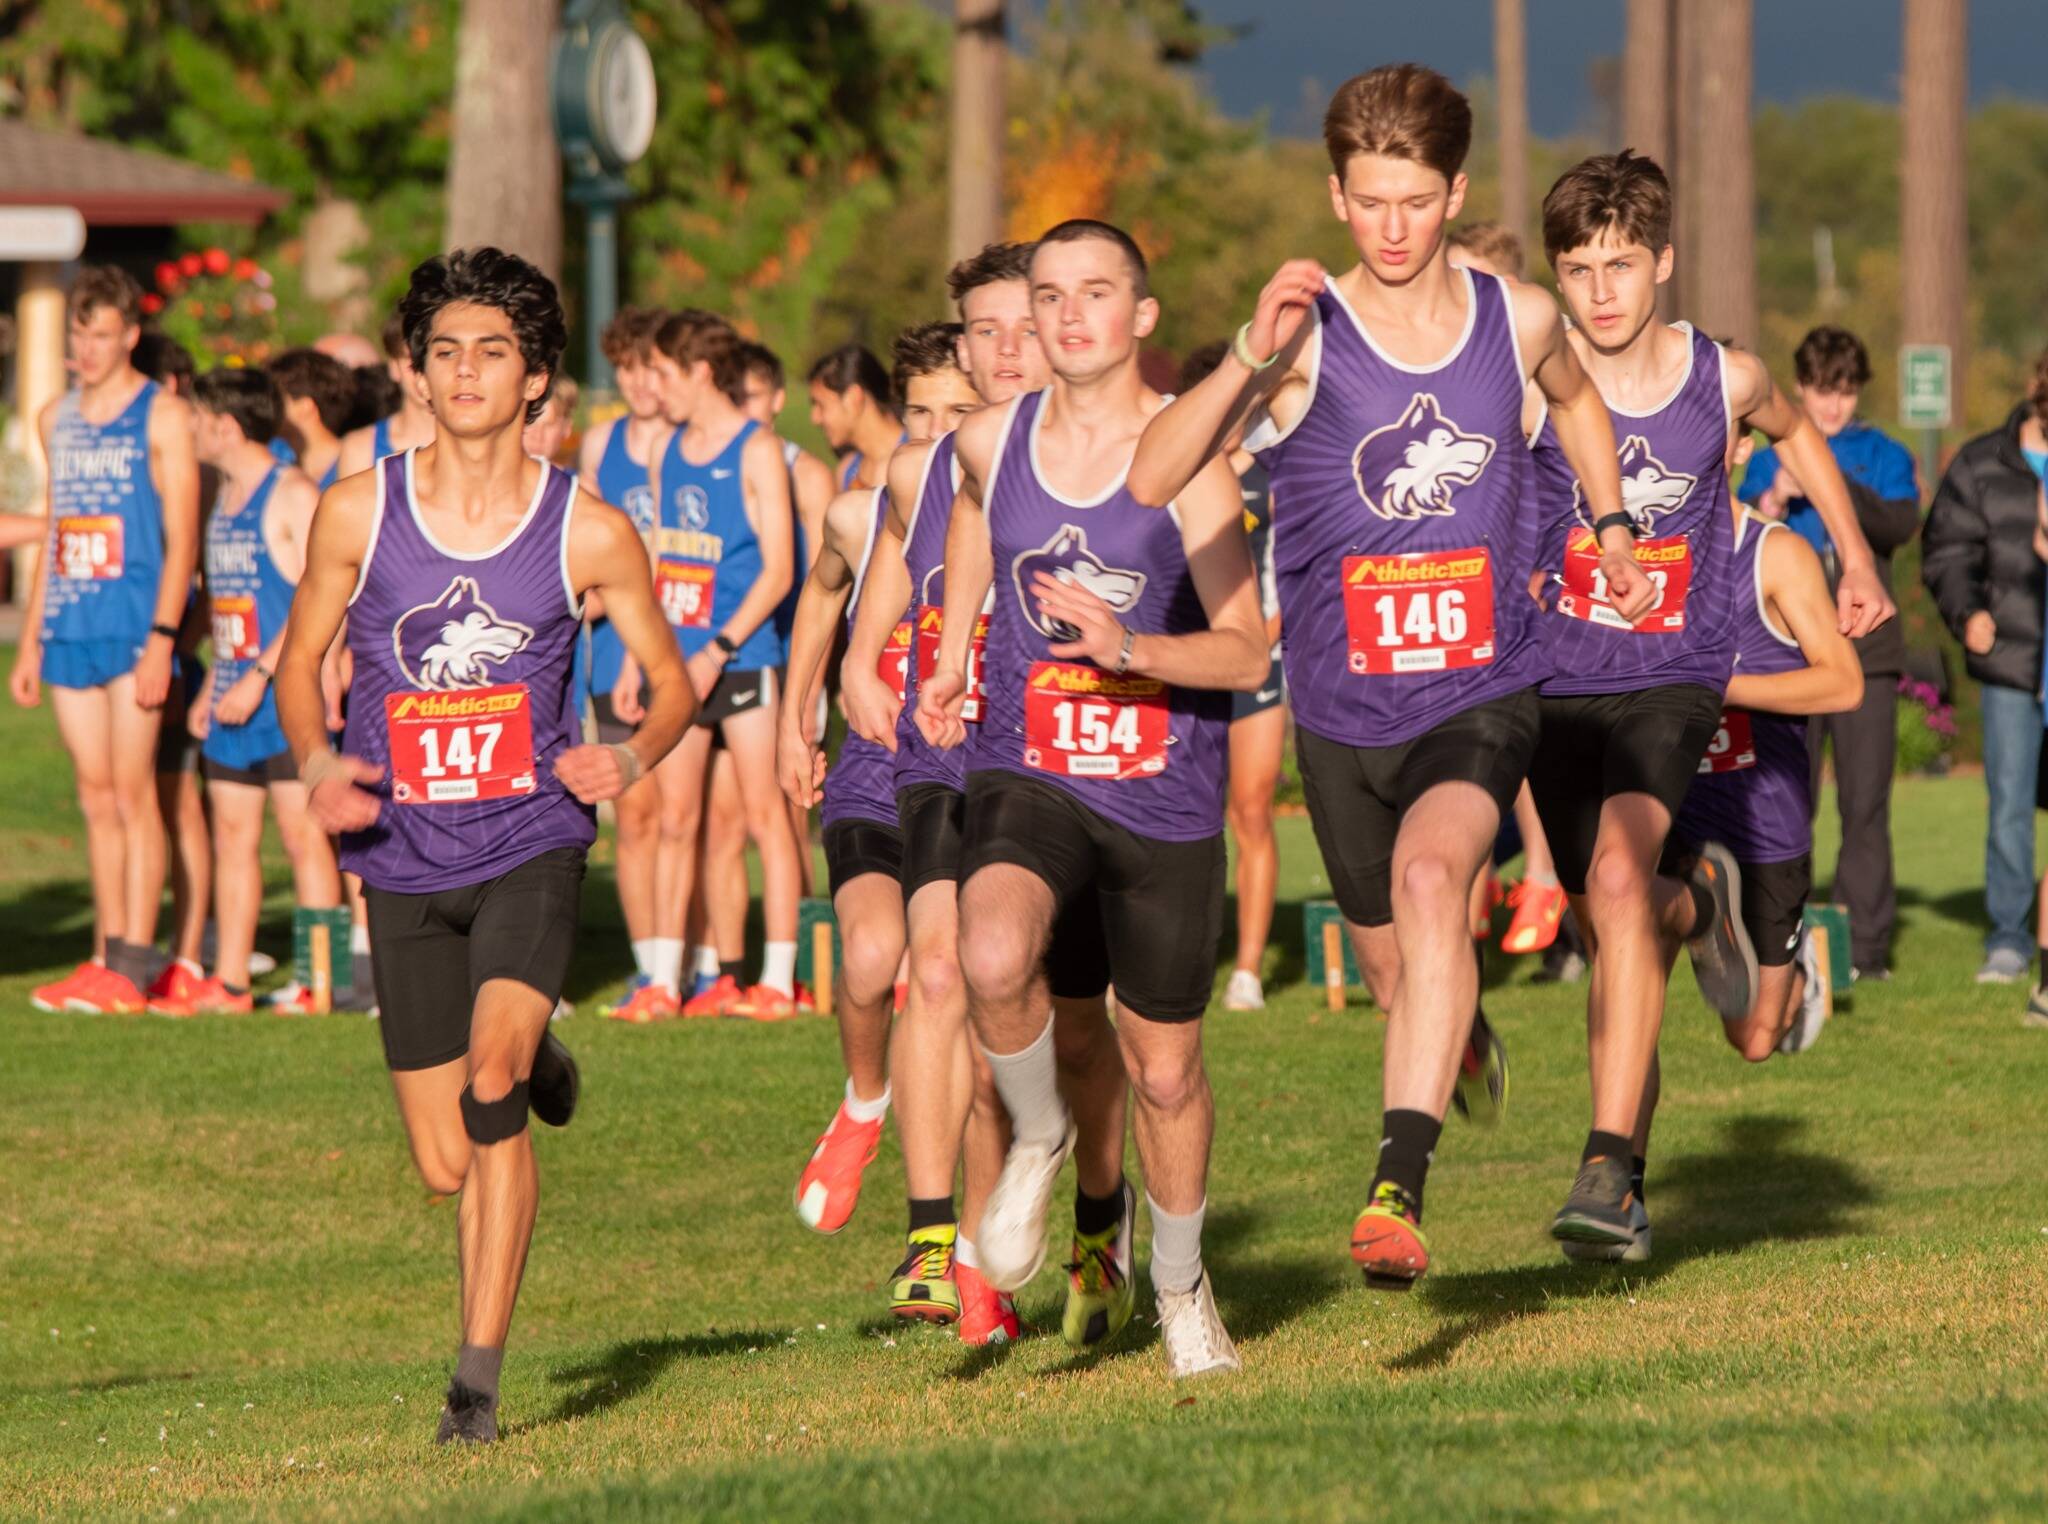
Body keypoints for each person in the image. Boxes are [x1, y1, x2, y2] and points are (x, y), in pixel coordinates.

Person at [1129, 66, 1640, 1292]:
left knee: (1431, 878)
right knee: (1396, 964)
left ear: (1454, 192)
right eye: (1368, 204)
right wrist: (1244, 352)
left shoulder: (1514, 318)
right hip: (1342, 714)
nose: (1394, 230)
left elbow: (1573, 402)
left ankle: (1394, 1187)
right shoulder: (1304, 335)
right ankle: (1449, 1038)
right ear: (1335, 197)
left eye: (1415, 201)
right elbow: (1149, 478)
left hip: (1478, 691)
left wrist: (1610, 527)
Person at [274, 247, 692, 1444]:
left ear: (537, 380)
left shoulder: (589, 530)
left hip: (528, 839)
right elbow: (299, 667)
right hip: (401, 852)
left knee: (488, 1077)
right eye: (444, 350)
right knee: (445, 1164)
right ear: (414, 372)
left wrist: (628, 755)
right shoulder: (358, 510)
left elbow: (668, 688)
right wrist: (314, 765)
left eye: (491, 352)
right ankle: (545, 1061)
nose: (464, 371)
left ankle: (474, 1388)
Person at [1519, 151, 1890, 1255]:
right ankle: (1701, 920)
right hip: (1557, 685)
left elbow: (1796, 433)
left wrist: (1857, 556)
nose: (1598, 292)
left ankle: (1603, 1168)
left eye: (1620, 265)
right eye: (1577, 268)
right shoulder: (1529, 374)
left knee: (1621, 883)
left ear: (1662, 263)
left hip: (1670, 679)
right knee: (1615, 925)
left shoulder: (1717, 379)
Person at [916, 220, 1268, 1377]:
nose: (1067, 317)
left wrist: (1131, 649)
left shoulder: (1192, 466)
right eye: (1049, 295)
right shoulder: (984, 439)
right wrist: (954, 654)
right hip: (1030, 767)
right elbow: (973, 519)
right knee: (990, 950)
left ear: (1141, 317)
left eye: (1096, 293)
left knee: (1162, 1068)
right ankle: (1041, 1134)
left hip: (1162, 794)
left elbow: (1243, 654)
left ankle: (1178, 1287)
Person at [845, 242, 1129, 1349]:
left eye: (1023, 325)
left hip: (1078, 761)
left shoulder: (1107, 458)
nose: (1005, 349)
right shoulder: (924, 471)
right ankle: (947, 1250)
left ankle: (1097, 1222)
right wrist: (862, 671)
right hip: (953, 759)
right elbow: (875, 618)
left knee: (1068, 1033)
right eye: (984, 332)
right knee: (939, 972)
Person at [1566, 491, 1864, 1263]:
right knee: (1624, 973)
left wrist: (1715, 687)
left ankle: (1774, 961)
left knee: (1756, 1037)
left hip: (1761, 822)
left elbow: (1843, 682)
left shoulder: (1775, 554)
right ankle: (1618, 1187)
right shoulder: (1615, 558)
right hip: (1656, 804)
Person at [778, 321, 1000, 1327]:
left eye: (957, 412)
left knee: (955, 991)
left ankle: (975, 1259)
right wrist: (796, 720)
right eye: (919, 413)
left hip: (962, 761)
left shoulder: (1015, 501)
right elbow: (819, 607)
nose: (937, 431)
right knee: (868, 959)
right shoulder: (857, 509)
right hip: (873, 765)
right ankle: (864, 1098)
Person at [14, 265, 201, 1013]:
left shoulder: (162, 417)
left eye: (98, 334)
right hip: (70, 624)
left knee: (134, 795)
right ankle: (105, 954)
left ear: (129, 334)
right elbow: (58, 529)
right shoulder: (54, 417)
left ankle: (134, 960)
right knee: (94, 797)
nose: (84, 349)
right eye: (75, 334)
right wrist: (30, 642)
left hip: (133, 627)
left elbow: (183, 538)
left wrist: (163, 637)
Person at [153, 368, 337, 1014]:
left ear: (226, 426)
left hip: (286, 697)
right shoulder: (221, 495)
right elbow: (228, 606)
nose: (192, 431)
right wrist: (215, 681)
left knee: (304, 838)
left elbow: (324, 596)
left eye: (199, 420)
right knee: (232, 837)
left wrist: (260, 675)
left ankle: (321, 979)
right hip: (231, 698)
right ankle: (229, 981)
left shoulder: (292, 493)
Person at [1741, 325, 1920, 982]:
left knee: (1865, 804)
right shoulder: (1766, 457)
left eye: (1844, 392)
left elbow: (1901, 526)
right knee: (1790, 801)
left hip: (1867, 650)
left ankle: (1865, 950)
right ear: (1801, 388)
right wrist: (1772, 497)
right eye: (1821, 391)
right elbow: (1736, 540)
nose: (1832, 406)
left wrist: (1826, 481)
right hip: (1789, 651)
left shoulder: (1885, 453)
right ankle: (1783, 940)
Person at [642, 310, 803, 1018]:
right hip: (677, 663)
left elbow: (778, 571)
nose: (654, 389)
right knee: (678, 819)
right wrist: (639, 658)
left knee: (766, 818)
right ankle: (665, 983)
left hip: (743, 658)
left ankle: (774, 980)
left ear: (699, 372)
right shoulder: (665, 448)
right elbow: (655, 560)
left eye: (663, 373)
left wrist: (720, 647)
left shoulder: (758, 448)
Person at [1443, 222, 1573, 958]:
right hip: (1463, 587)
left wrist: (1550, 568)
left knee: (1510, 732)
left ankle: (1544, 871)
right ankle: (1485, 883)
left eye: (1465, 281)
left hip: (1527, 588)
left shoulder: (1535, 381)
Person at [1922, 346, 2048, 987]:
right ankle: (2008, 937)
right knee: (2010, 806)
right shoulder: (1981, 462)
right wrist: (1967, 611)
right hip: (2012, 661)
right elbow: (1944, 550)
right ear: (2036, 388)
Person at [1177, 340, 1286, 1012]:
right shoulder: (1176, 473)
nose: (1236, 416)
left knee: (1250, 811)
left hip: (1259, 664)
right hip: (1185, 664)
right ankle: (1173, 957)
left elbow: (1298, 576)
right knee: (1181, 816)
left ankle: (1247, 970)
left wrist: (1257, 642)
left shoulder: (1277, 474)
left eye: (1248, 402)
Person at [578, 308, 676, 1020]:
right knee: (636, 811)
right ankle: (651, 968)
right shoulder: (602, 442)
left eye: (652, 366)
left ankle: (690, 963)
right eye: (628, 367)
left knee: (687, 817)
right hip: (613, 644)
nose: (640, 382)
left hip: (679, 640)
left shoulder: (690, 445)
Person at [127, 332, 214, 1003]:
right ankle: (149, 946)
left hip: (176, 657)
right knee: (145, 802)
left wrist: (177, 640)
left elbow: (213, 577)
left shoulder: (201, 473)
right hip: (140, 653)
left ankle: (191, 950)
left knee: (181, 805)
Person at [749, 339, 839, 908]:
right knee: (753, 808)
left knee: (794, 807)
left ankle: (808, 945)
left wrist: (809, 689)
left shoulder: (805, 472)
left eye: (754, 395)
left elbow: (820, 589)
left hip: (796, 654)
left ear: (779, 398)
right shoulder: (727, 463)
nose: (745, 406)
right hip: (750, 654)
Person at [337, 312, 436, 474]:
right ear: (394, 366)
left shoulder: (475, 441)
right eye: (413, 364)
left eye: (436, 359)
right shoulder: (361, 450)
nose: (423, 374)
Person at [808, 344, 902, 490]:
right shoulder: (846, 472)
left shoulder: (919, 458)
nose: (814, 418)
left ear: (853, 398)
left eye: (821, 405)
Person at [270, 348, 356, 493]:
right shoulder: (274, 459)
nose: (267, 407)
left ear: (305, 407)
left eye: (276, 399)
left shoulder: (355, 467)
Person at [523, 374, 578, 465]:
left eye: (549, 425)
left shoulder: (573, 479)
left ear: (567, 427)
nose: (538, 436)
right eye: (529, 422)